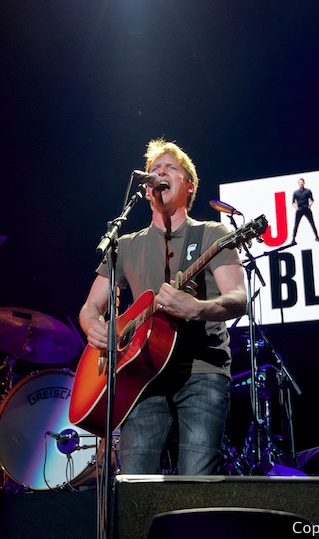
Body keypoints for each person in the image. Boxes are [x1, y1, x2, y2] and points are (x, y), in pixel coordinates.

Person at [79, 138, 248, 475]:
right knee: (135, 483)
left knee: (196, 481)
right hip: (142, 376)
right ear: (145, 189)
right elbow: (90, 308)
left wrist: (197, 308)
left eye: (170, 168)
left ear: (189, 185)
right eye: (155, 169)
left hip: (202, 370)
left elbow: (239, 298)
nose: (160, 173)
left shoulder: (214, 233)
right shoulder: (124, 245)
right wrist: (93, 327)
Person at [291, 178, 319, 242]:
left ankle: (317, 237)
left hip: (306, 209)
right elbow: (293, 202)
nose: (301, 184)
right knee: (296, 224)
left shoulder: (308, 191)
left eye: (302, 182)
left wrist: (310, 205)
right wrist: (296, 207)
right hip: (299, 210)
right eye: (300, 182)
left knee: (312, 223)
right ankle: (293, 239)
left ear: (304, 183)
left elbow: (312, 199)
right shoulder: (296, 193)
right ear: (298, 184)